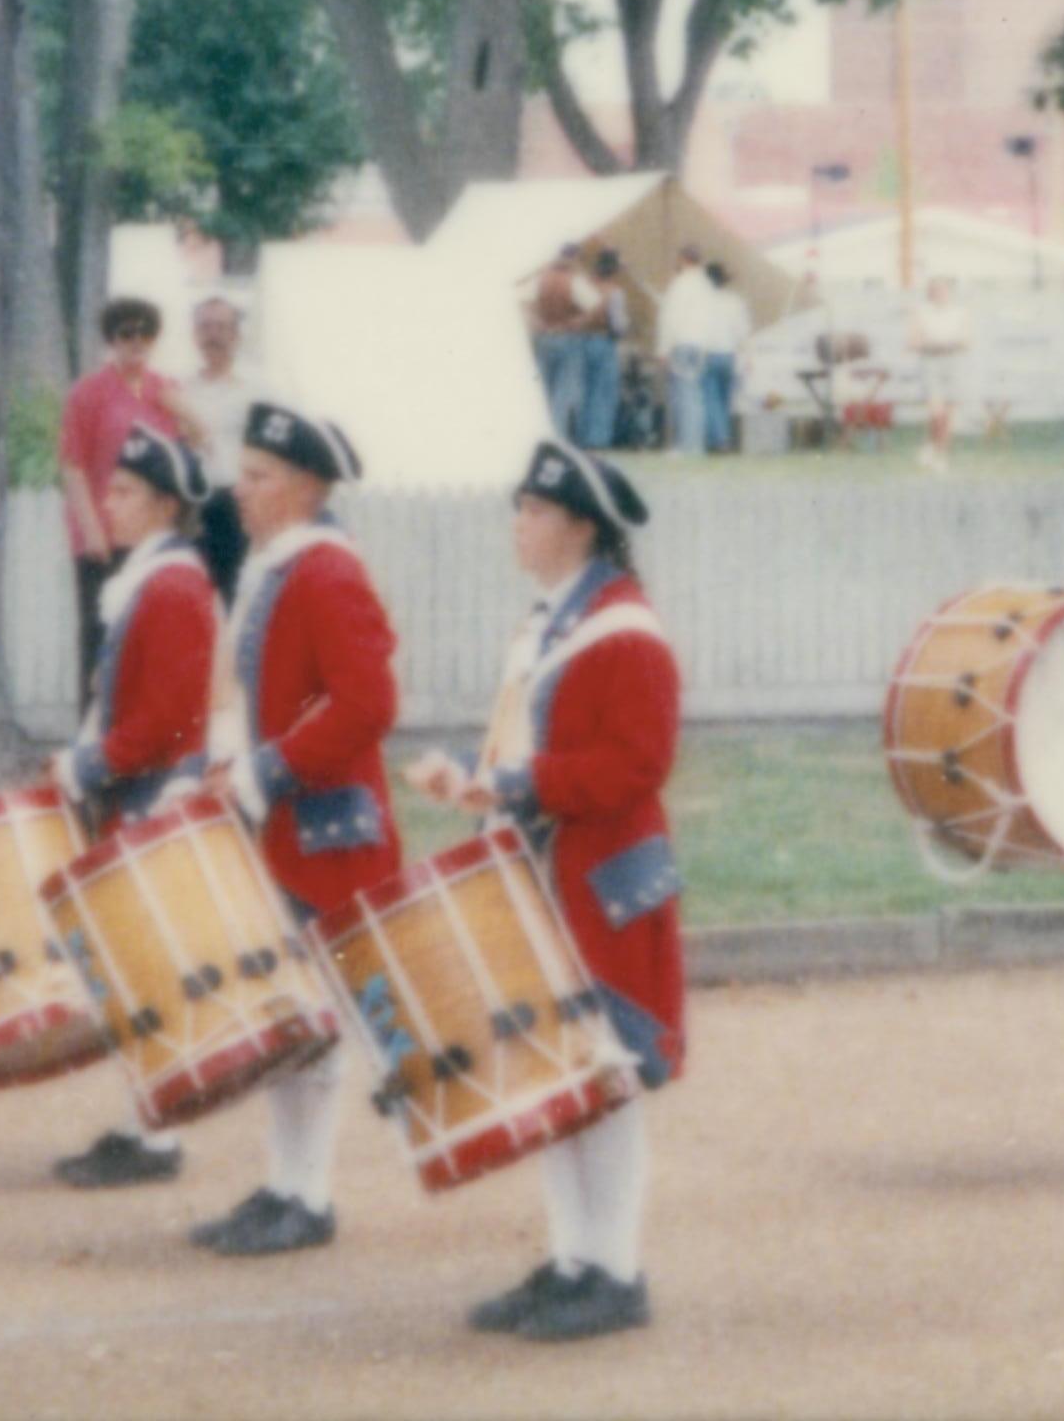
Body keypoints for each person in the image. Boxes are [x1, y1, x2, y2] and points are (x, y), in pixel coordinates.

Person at [410, 438, 683, 1341]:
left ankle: (618, 1270)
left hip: (601, 881)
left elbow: (636, 764)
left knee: (602, 1075)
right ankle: (575, 1260)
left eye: (531, 510)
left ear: (577, 523)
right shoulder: (552, 620)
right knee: (556, 1076)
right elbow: (526, 746)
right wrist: (476, 779)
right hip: (548, 873)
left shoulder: (624, 628)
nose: (517, 525)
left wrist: (518, 787)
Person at [192, 401, 402, 1259]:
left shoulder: (323, 572)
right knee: (291, 1014)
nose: (238, 490)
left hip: (325, 831)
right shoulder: (279, 565)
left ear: (307, 487)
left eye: (258, 476)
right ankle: (287, 1186)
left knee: (313, 1018)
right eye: (241, 473)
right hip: (285, 822)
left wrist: (268, 769)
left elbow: (368, 703)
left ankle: (306, 1196)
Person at [47, 426, 218, 1191]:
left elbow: (169, 722)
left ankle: (155, 1137)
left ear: (161, 504)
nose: (106, 503)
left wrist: (89, 762)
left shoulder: (174, 586)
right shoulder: (150, 580)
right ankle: (139, 1125)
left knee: (146, 969)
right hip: (131, 796)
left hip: (152, 801)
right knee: (131, 971)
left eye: (121, 492)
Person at [58, 296, 205, 710]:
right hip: (104, 534)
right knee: (101, 632)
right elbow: (72, 466)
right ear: (112, 339)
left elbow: (196, 448)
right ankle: (93, 731)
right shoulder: (88, 392)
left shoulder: (167, 389)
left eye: (145, 333)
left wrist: (181, 410)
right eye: (126, 333)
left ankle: (139, 732)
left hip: (152, 535)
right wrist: (91, 530)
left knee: (150, 633)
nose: (136, 342)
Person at [181, 295, 260, 602]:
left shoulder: (258, 389)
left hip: (237, 504)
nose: (213, 334)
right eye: (205, 327)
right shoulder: (180, 389)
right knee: (191, 598)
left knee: (236, 596)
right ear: (195, 335)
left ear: (237, 334)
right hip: (192, 506)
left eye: (222, 327)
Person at [528, 246, 599, 438]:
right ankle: (557, 434)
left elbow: (525, 302)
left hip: (543, 336)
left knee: (542, 388)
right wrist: (576, 322)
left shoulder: (540, 279)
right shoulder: (574, 280)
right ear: (573, 257)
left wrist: (537, 322)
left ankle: (540, 433)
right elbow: (594, 305)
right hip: (567, 336)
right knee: (564, 390)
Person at [658, 249, 717, 457]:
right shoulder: (707, 286)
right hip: (701, 345)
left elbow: (670, 317)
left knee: (682, 395)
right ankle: (696, 445)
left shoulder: (680, 284)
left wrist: (663, 348)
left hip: (681, 342)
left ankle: (684, 445)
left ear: (683, 260)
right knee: (695, 395)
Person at [910, 274, 971, 471]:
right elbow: (913, 341)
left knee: (948, 413)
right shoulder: (921, 312)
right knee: (936, 412)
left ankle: (940, 454)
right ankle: (932, 445)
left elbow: (966, 341)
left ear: (950, 292)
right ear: (930, 293)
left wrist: (950, 344)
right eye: (935, 290)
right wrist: (932, 344)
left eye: (944, 290)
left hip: (954, 363)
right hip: (930, 363)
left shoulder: (960, 312)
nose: (940, 294)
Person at [582, 249, 631, 449]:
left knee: (587, 390)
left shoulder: (587, 287)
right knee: (605, 392)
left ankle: (584, 436)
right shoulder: (615, 292)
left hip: (583, 341)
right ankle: (599, 438)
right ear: (614, 270)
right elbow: (618, 324)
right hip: (604, 341)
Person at [699, 261, 748, 455]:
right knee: (725, 400)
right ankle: (721, 437)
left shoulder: (702, 303)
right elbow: (742, 331)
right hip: (730, 354)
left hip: (709, 353)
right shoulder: (734, 301)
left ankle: (719, 440)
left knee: (710, 399)